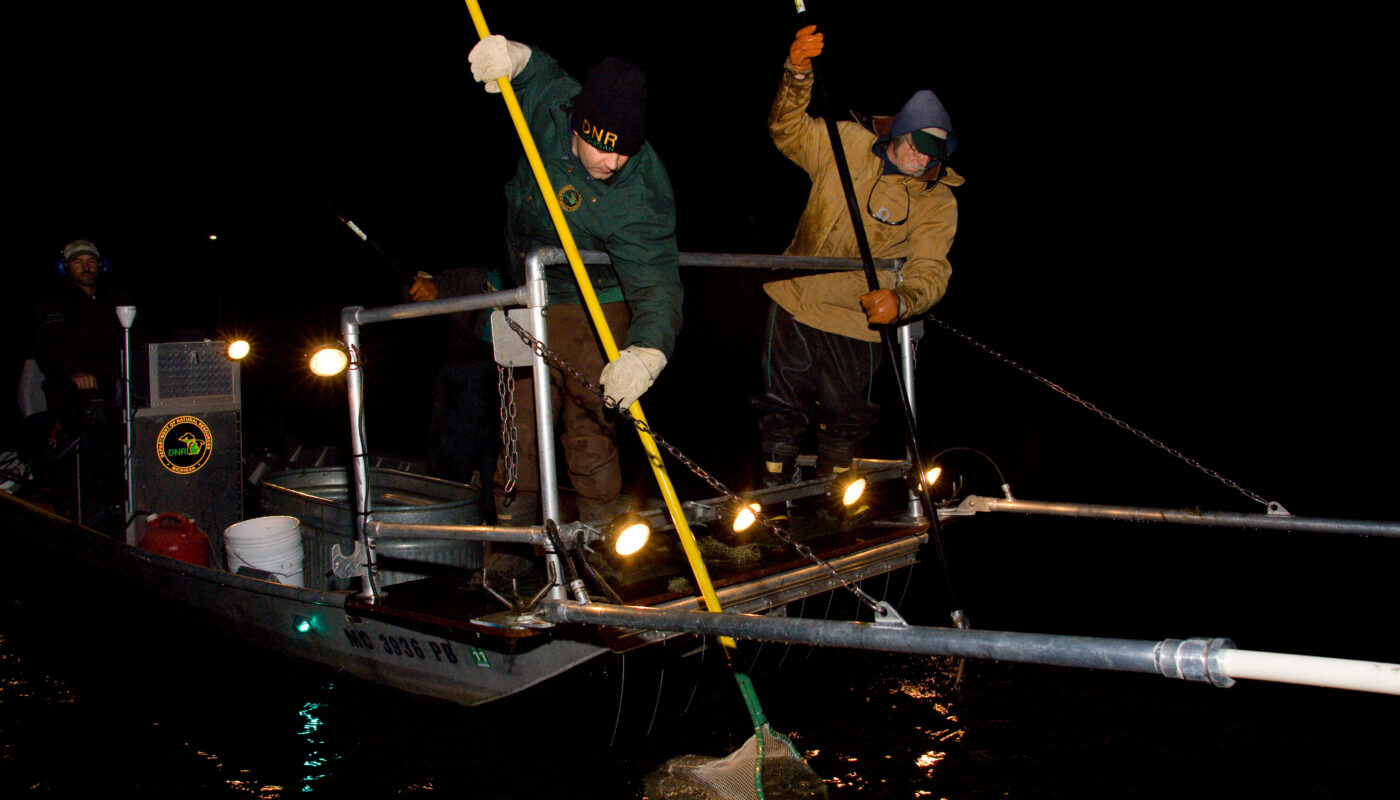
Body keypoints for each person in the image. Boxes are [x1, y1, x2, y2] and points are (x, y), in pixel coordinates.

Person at [467, 36, 683, 526]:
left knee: (587, 424)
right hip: (525, 294)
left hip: (594, 300)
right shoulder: (553, 108)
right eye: (605, 149)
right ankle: (512, 545)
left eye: (626, 152)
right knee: (517, 427)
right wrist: (514, 57)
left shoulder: (638, 191)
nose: (614, 164)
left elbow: (657, 283)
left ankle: (599, 542)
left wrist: (647, 352)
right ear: (578, 126)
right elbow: (536, 72)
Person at [755, 25, 964, 488]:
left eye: (934, 154)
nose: (921, 159)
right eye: (916, 145)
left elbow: (931, 268)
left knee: (846, 420)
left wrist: (904, 301)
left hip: (860, 320)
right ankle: (770, 508)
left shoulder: (937, 200)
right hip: (796, 298)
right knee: (780, 413)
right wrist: (797, 74)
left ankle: (835, 506)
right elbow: (785, 130)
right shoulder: (845, 142)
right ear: (900, 132)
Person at [34, 238, 144, 531]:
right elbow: (48, 350)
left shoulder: (117, 299)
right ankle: (81, 509)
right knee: (89, 431)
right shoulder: (53, 303)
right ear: (65, 267)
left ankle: (134, 501)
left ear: (101, 265)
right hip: (71, 392)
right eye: (77, 261)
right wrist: (74, 373)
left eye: (91, 261)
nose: (86, 267)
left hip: (117, 388)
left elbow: (138, 344)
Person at [406, 268, 500, 517]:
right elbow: (416, 292)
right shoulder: (477, 277)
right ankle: (444, 535)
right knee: (447, 476)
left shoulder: (545, 276)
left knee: (506, 474)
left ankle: (503, 541)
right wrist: (426, 288)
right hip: (463, 379)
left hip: (517, 380)